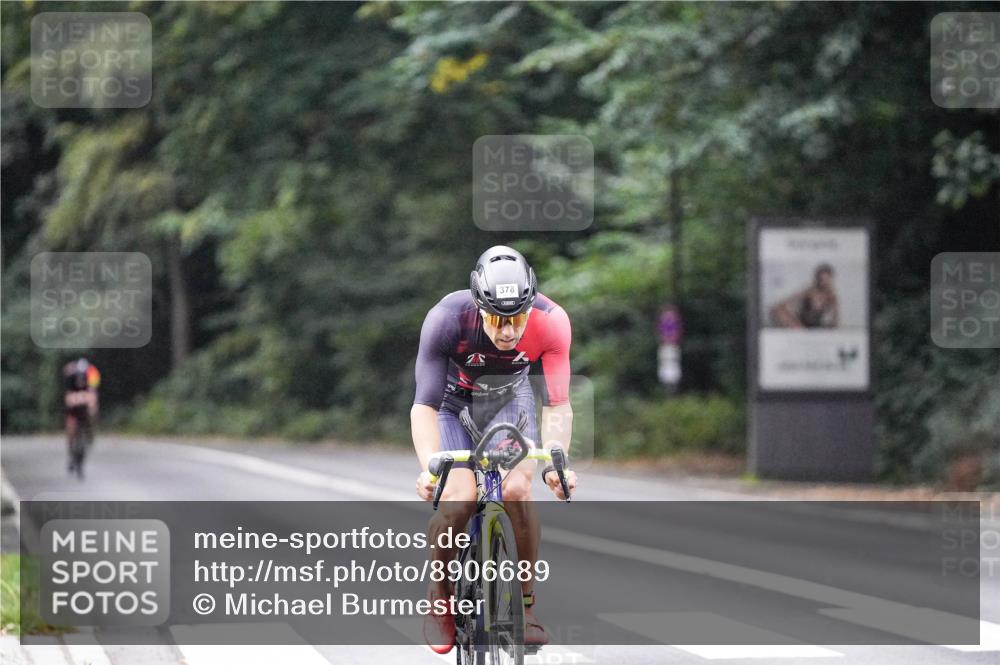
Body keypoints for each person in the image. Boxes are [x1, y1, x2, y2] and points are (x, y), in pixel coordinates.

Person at [412, 245, 578, 654]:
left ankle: (526, 604)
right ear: (478, 305)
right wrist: (431, 470)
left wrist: (555, 463)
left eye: (517, 318)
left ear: (530, 307)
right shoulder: (447, 320)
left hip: (509, 404)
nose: (508, 331)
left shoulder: (553, 323)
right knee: (459, 499)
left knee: (518, 491)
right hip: (453, 407)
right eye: (497, 320)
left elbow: (556, 403)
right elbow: (425, 406)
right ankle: (440, 593)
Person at [770, 263, 840, 328]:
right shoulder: (809, 291)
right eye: (821, 279)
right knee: (777, 310)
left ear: (830, 279)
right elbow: (788, 300)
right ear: (817, 278)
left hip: (816, 327)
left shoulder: (832, 296)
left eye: (826, 279)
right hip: (800, 324)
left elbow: (835, 320)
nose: (823, 282)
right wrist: (787, 314)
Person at [63, 357, 100, 474]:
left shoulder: (92, 375)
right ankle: (71, 451)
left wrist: (91, 406)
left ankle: (90, 432)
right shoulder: (70, 377)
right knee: (71, 426)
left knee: (92, 411)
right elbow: (68, 396)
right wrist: (74, 400)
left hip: (85, 406)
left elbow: (93, 393)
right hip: (73, 408)